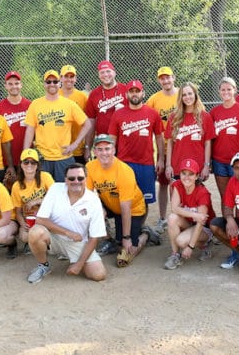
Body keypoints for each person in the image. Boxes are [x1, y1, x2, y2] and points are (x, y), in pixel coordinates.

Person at [26, 163, 108, 283]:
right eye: (71, 178)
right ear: (65, 180)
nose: (76, 181)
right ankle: (43, 266)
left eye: (80, 178)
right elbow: (40, 220)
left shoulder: (93, 200)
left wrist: (79, 265)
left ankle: (73, 258)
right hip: (54, 238)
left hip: (78, 243)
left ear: (86, 179)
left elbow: (94, 238)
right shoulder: (55, 189)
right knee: (35, 232)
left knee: (99, 274)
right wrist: (67, 232)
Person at [86, 134, 155, 268]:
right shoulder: (89, 167)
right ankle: (106, 238)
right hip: (111, 205)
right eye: (99, 149)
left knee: (128, 250)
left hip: (133, 209)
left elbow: (126, 208)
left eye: (107, 149)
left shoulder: (124, 171)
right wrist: (100, 210)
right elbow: (87, 196)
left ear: (114, 150)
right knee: (92, 210)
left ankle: (145, 234)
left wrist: (127, 238)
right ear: (94, 152)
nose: (103, 153)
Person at [23, 70, 93, 182]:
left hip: (64, 158)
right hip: (43, 158)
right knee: (44, 194)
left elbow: (87, 123)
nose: (52, 84)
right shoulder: (35, 104)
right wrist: (26, 153)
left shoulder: (69, 104)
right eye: (48, 81)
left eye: (55, 81)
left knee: (65, 192)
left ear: (59, 83)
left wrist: (75, 144)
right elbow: (30, 130)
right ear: (44, 84)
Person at [108, 79, 164, 205]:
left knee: (145, 200)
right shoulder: (118, 114)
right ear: (126, 95)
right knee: (124, 198)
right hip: (124, 162)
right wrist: (111, 159)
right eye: (131, 91)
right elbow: (112, 139)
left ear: (143, 93)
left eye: (137, 91)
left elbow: (160, 137)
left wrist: (161, 159)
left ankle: (141, 225)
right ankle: (125, 225)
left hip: (146, 163)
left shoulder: (152, 114)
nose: (134, 94)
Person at [164, 159, 216, 270]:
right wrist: (196, 215)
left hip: (204, 228)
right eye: (184, 173)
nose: (186, 177)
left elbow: (201, 222)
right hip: (191, 222)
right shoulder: (177, 185)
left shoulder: (202, 192)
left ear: (197, 176)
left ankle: (205, 244)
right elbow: (174, 208)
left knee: (181, 241)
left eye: (191, 174)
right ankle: (175, 255)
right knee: (172, 218)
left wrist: (190, 247)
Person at [209, 77, 239, 201]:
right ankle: (227, 220)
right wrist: (210, 160)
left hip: (237, 161)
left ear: (235, 90)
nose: (226, 92)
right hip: (219, 161)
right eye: (223, 90)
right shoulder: (214, 112)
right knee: (225, 198)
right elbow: (210, 139)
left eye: (229, 89)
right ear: (219, 91)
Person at [146, 66, 179, 231]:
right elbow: (145, 118)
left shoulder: (183, 94)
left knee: (180, 185)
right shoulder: (154, 99)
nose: (165, 80)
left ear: (174, 78)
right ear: (159, 80)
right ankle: (162, 218)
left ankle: (178, 217)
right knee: (164, 184)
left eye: (168, 77)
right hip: (164, 149)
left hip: (182, 148)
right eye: (162, 78)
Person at [165, 82, 215, 182]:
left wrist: (206, 166)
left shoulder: (205, 116)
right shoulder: (173, 117)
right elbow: (170, 144)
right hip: (177, 167)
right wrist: (168, 166)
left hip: (197, 167)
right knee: (176, 197)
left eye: (190, 93)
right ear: (180, 98)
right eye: (184, 95)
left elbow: (208, 144)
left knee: (195, 197)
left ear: (195, 95)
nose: (187, 97)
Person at [11, 149, 55, 253]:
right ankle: (34, 243)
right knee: (24, 236)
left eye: (33, 162)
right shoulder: (17, 186)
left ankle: (50, 244)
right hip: (30, 219)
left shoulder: (45, 176)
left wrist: (38, 201)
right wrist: (22, 224)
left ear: (37, 165)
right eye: (26, 162)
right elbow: (17, 212)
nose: (29, 165)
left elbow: (55, 197)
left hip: (47, 217)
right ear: (21, 164)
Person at [0, 71, 32, 168]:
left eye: (16, 83)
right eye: (10, 84)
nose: (14, 86)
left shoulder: (30, 106)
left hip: (26, 159)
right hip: (5, 160)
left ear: (21, 85)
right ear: (5, 86)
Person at [85, 60, 127, 145]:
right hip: (103, 141)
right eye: (102, 72)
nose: (105, 75)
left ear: (114, 73)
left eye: (108, 71)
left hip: (124, 141)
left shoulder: (125, 89)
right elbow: (91, 121)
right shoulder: (94, 94)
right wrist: (87, 147)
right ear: (99, 76)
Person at [59, 65, 90, 164]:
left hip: (77, 149)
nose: (69, 79)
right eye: (66, 76)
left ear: (75, 78)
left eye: (71, 76)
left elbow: (88, 123)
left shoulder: (82, 97)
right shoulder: (55, 95)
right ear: (61, 78)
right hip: (59, 149)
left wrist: (86, 146)